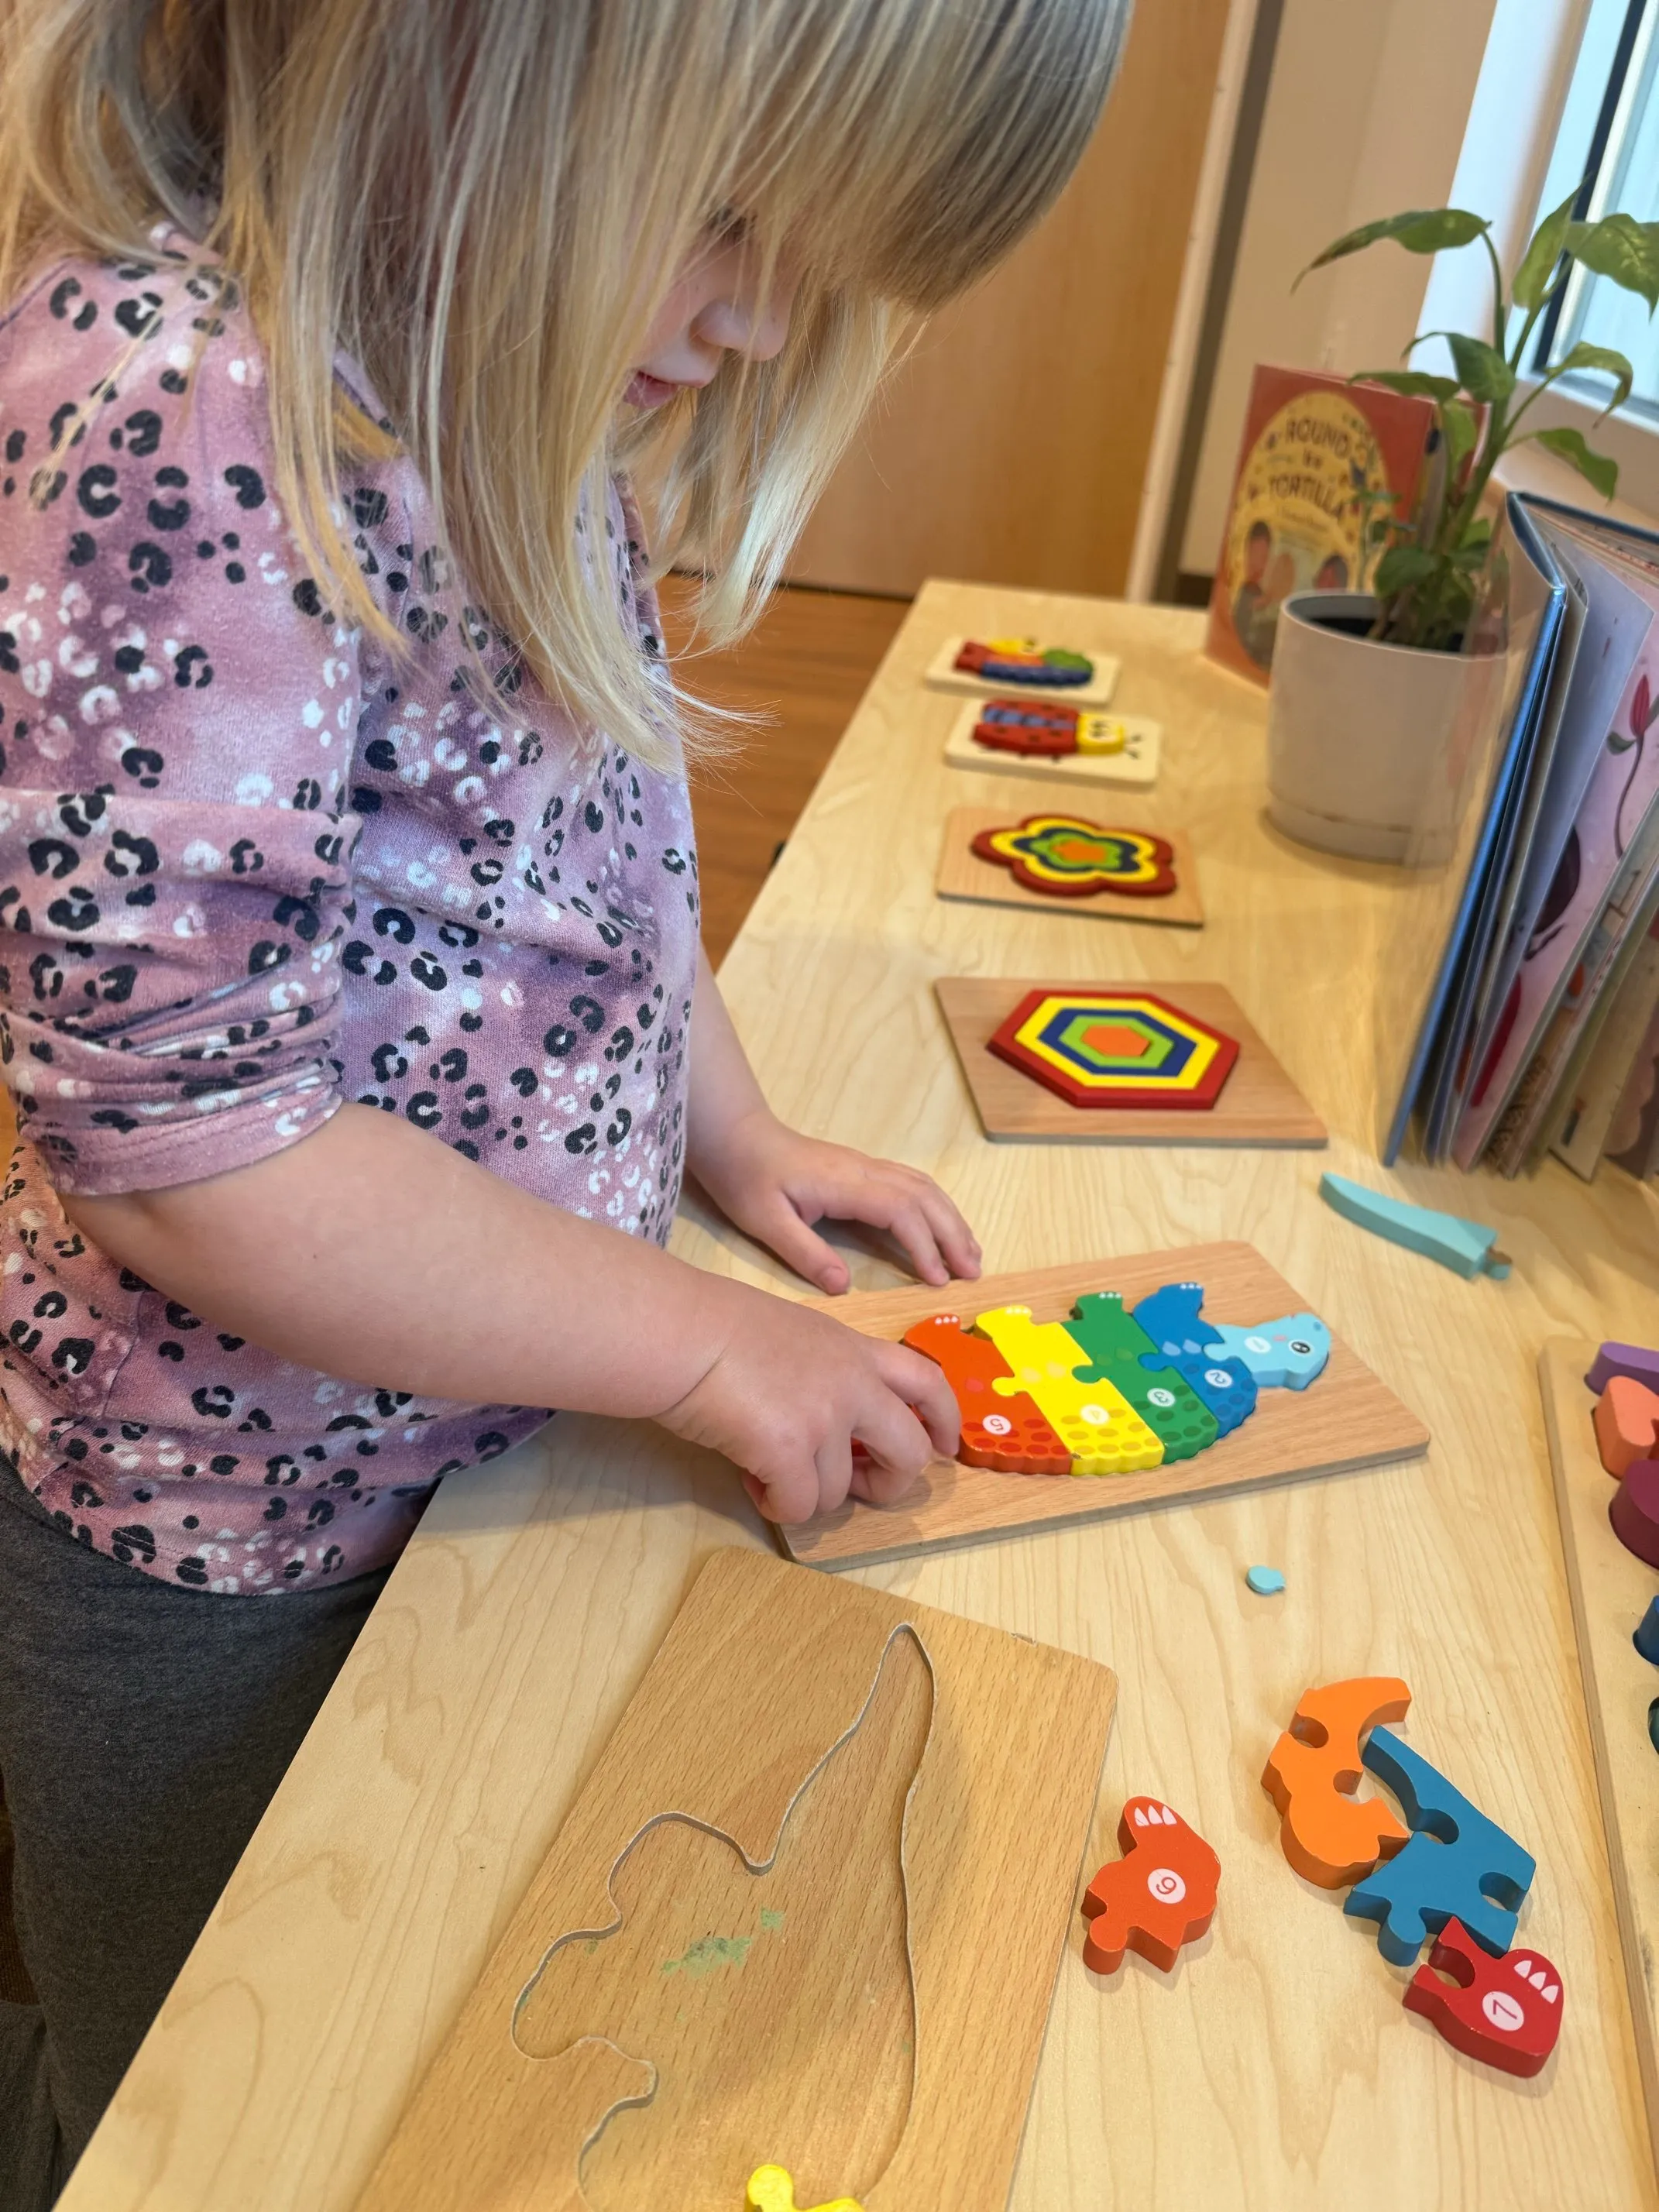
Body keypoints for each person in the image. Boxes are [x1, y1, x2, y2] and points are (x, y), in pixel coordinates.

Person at [0, 0, 1127, 2199]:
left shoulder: (474, 358)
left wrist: (730, 1126)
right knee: (216, 2117)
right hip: (241, 1558)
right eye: (720, 214)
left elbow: (580, 861)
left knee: (453, 2060)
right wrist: (703, 1337)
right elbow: (191, 1153)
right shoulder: (178, 403)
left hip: (489, 1464)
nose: (756, 315)